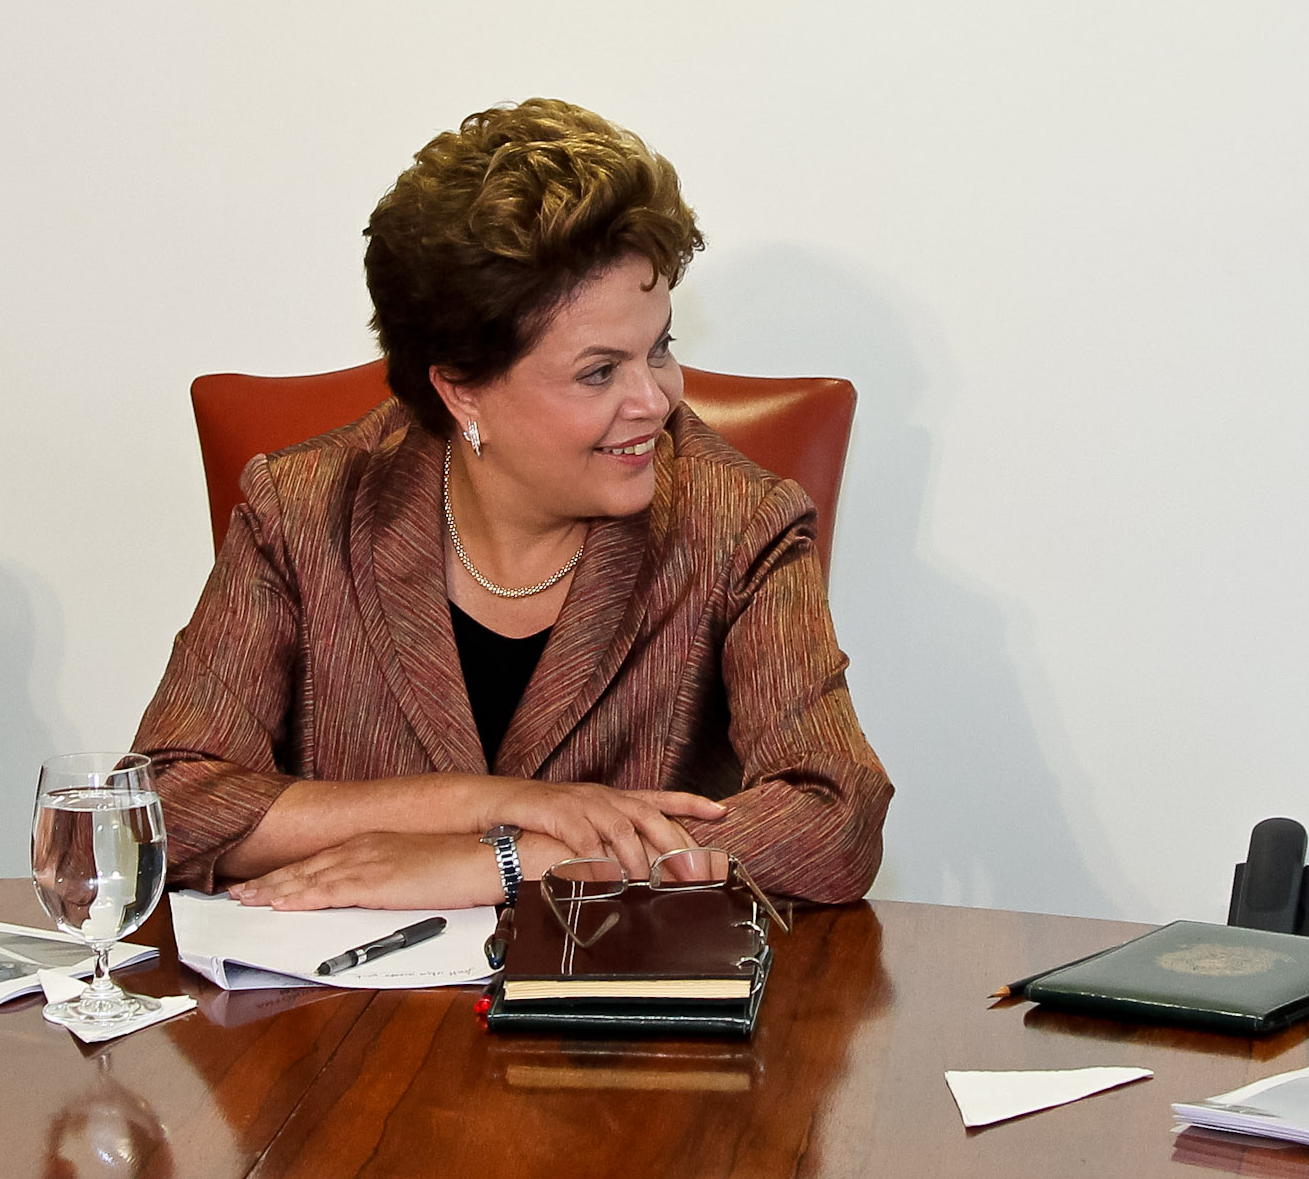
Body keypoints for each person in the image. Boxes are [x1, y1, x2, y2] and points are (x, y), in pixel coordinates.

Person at [132, 99, 890, 912]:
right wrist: (479, 804)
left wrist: (515, 861)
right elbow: (161, 808)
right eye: (599, 371)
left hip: (610, 1026)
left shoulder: (736, 521)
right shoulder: (309, 509)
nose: (656, 400)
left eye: (660, 348)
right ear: (461, 388)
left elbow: (834, 819)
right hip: (345, 1028)